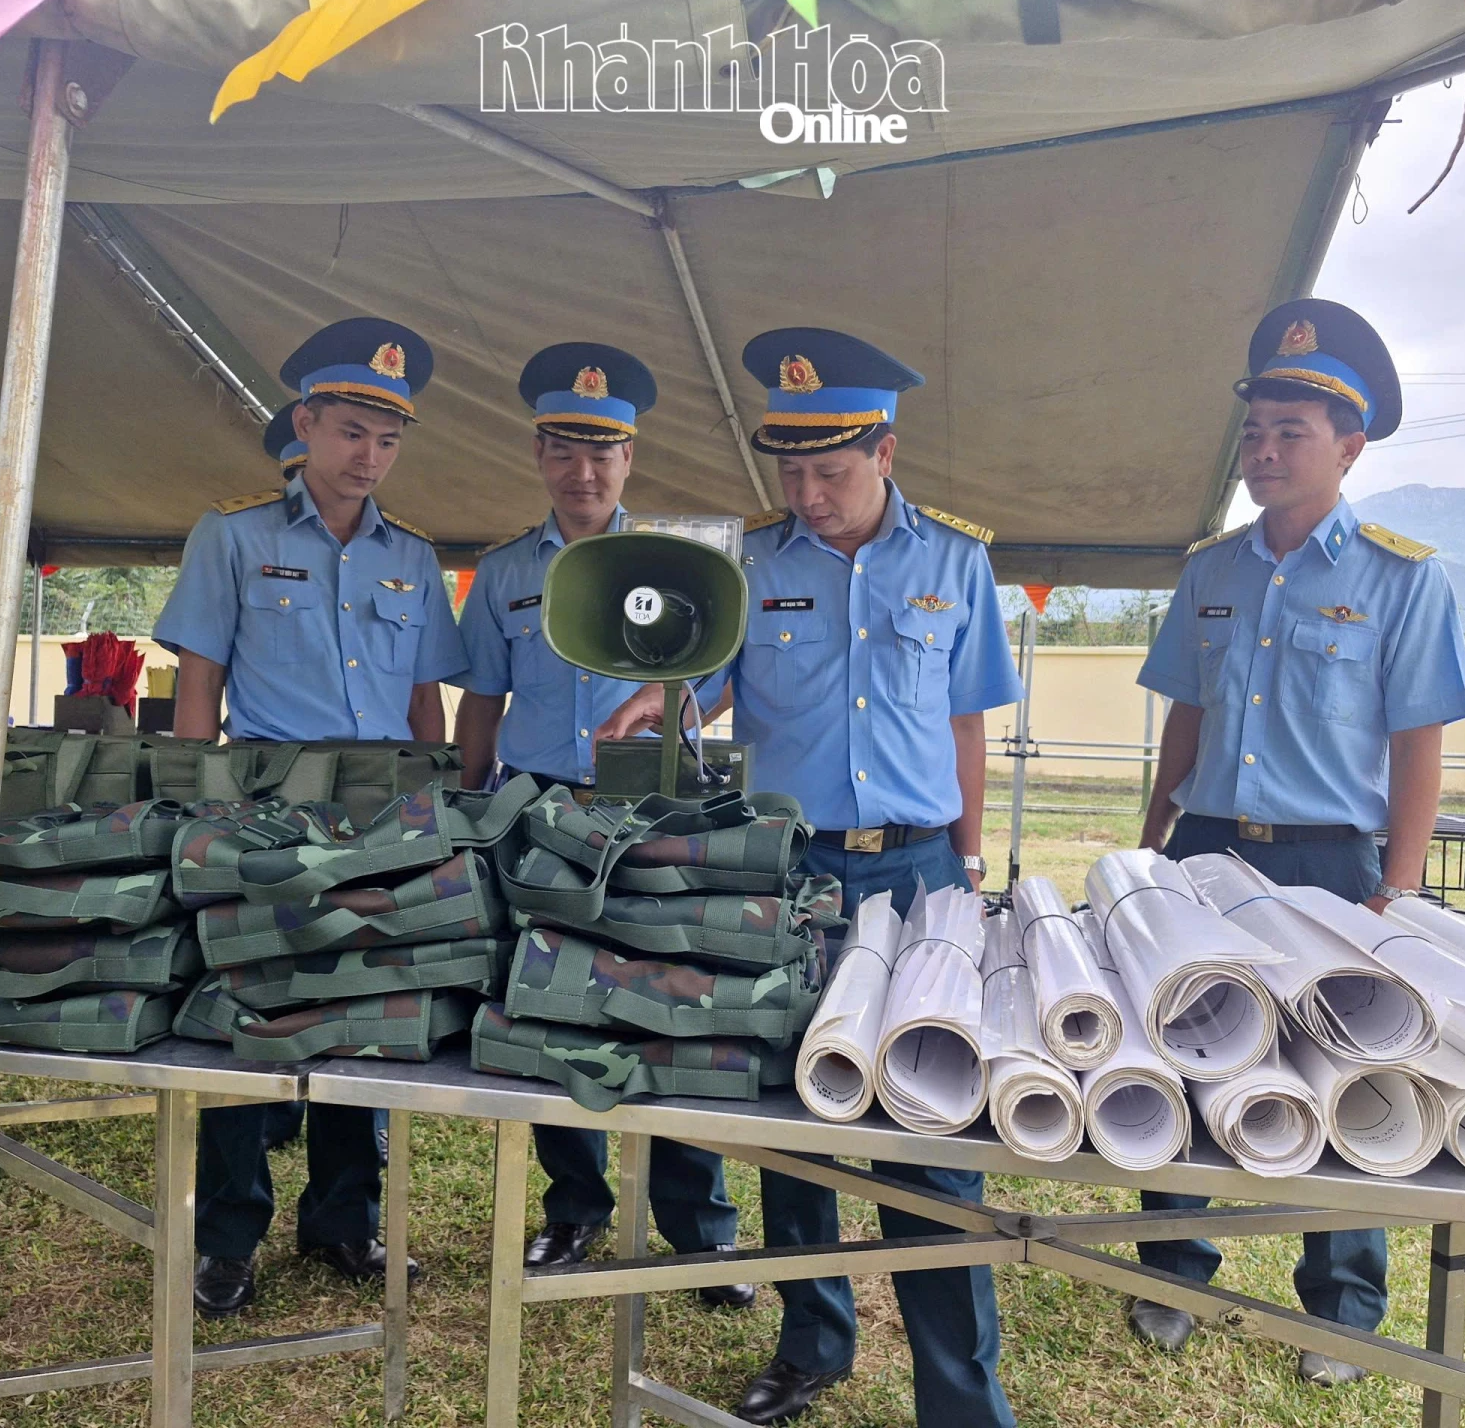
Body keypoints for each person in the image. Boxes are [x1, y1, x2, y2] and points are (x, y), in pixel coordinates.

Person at [600, 327, 1023, 1427]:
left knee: (932, 1128)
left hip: (918, 869)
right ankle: (811, 1341)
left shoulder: (954, 563)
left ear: (885, 451)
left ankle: (959, 1392)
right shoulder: (752, 561)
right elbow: (710, 687)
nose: (809, 493)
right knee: (797, 1112)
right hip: (788, 873)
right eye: (790, 471)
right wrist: (664, 701)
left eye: (830, 470)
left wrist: (969, 863)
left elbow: (967, 718)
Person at [1128, 299, 1465, 1384]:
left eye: (1293, 432)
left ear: (1351, 446)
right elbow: (1185, 715)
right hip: (1210, 848)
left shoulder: (1403, 577)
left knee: (1345, 1069)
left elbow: (1416, 748)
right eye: (1255, 432)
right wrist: (1149, 847)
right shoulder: (1212, 571)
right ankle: (1172, 1270)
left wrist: (1402, 889)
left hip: (1333, 862)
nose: (1266, 451)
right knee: (1184, 1052)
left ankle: (1342, 1302)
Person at [154, 317, 470, 1318]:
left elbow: (427, 702)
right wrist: (202, 821)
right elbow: (196, 687)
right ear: (307, 424)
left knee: (364, 1019)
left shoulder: (413, 556)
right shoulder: (235, 534)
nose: (367, 458)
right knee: (252, 1017)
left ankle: (346, 1218)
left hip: (381, 818)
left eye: (387, 441)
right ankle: (228, 1235)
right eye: (348, 433)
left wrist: (436, 811)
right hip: (264, 813)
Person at [450, 342, 753, 1308]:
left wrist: (671, 707)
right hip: (539, 810)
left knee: (676, 1000)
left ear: (630, 460)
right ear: (539, 454)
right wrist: (469, 811)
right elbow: (479, 704)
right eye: (564, 451)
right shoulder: (501, 574)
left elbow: (723, 677)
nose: (584, 472)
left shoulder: (686, 564)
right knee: (549, 1008)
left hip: (652, 809)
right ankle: (574, 1208)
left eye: (604, 453)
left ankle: (699, 1230)